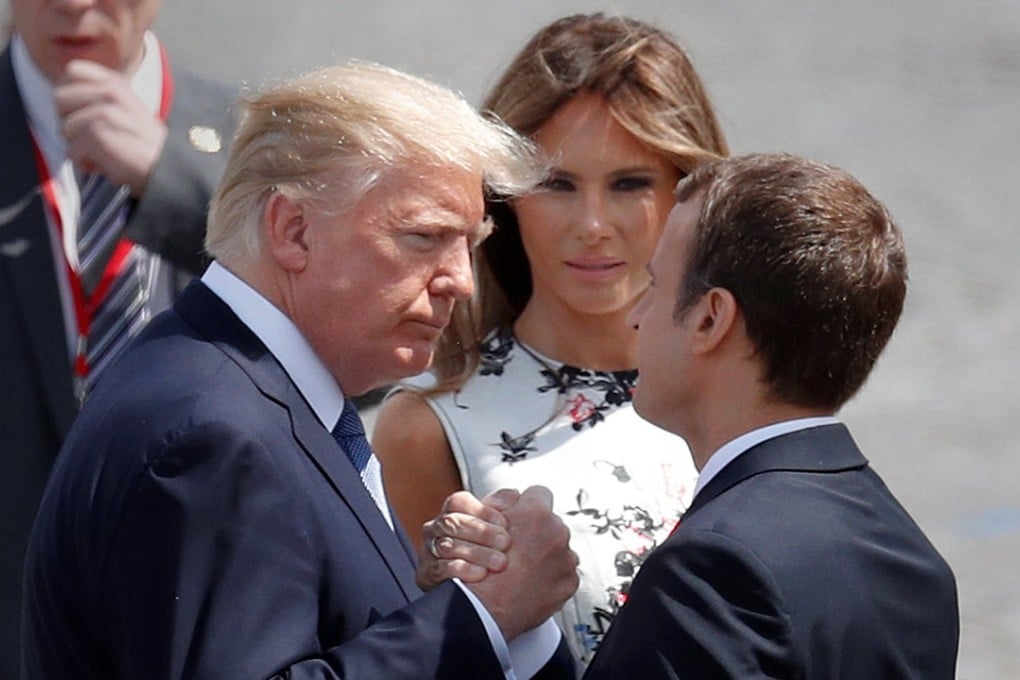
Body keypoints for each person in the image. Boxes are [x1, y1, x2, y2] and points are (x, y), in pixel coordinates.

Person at [21, 62, 579, 679]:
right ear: (293, 230)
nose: (461, 282)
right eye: (424, 237)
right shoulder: (217, 434)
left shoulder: (244, 393)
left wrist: (502, 616)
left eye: (469, 244)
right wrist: (482, 616)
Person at [372, 13, 728, 663]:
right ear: (503, 199)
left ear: (687, 193)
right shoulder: (427, 425)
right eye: (557, 184)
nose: (593, 225)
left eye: (629, 184)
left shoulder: (744, 389)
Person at [577, 153, 960, 677]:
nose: (635, 317)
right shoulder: (916, 561)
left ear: (711, 318)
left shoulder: (712, 568)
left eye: (654, 286)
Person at [0, 0, 234, 672]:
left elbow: (360, 340)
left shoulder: (256, 133)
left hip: (205, 607)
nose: (74, 4)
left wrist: (178, 190)